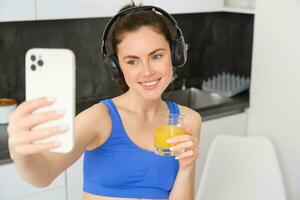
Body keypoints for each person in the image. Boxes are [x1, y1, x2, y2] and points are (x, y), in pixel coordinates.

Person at [7, 3, 201, 200]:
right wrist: (20, 152)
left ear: (176, 54)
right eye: (132, 61)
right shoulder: (99, 118)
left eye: (157, 56)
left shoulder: (188, 120)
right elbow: (43, 174)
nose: (147, 71)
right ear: (116, 67)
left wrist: (187, 167)